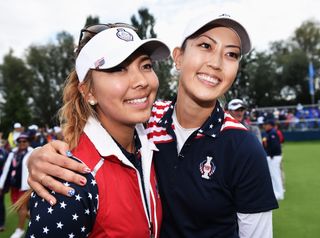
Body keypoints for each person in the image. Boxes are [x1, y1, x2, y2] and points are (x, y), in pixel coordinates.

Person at [27, 13, 278, 238]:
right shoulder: (146, 121)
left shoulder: (242, 146)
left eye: (145, 66)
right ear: (177, 58)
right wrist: (37, 157)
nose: (216, 62)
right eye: (205, 46)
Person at [23, 23, 170, 238]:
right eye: (119, 68)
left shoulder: (150, 137)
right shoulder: (70, 178)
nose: (141, 81)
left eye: (146, 66)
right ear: (88, 92)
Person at [0, 132, 33, 238]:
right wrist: (1, 185)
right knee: (18, 207)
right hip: (13, 185)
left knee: (22, 208)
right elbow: (6, 170)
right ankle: (38, 220)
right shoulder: (13, 153)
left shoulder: (32, 152)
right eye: (20, 141)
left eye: (24, 141)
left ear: (28, 142)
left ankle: (20, 230)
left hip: (25, 185)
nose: (22, 143)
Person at [262, 119, 285, 200]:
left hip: (274, 157)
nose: (264, 126)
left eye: (266, 124)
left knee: (275, 175)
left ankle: (280, 194)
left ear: (270, 125)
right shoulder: (269, 133)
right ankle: (276, 192)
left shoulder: (272, 133)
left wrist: (271, 155)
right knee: (273, 175)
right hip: (272, 157)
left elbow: (275, 146)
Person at [0, 138, 9, 232]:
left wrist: (2, 185)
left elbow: (6, 170)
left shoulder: (4, 153)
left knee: (0, 203)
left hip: (0, 183)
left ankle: (1, 223)